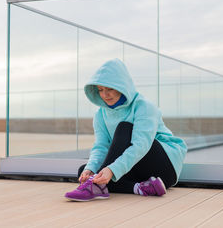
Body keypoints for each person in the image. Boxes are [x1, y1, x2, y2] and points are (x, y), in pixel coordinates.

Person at [65, 58, 187, 202]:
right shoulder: (100, 114)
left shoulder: (144, 106)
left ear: (122, 86)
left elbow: (141, 145)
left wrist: (111, 170)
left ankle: (96, 186)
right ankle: (140, 187)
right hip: (135, 166)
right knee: (85, 170)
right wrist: (90, 169)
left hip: (164, 166)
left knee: (124, 128)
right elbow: (101, 146)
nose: (105, 95)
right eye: (100, 90)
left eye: (110, 89)